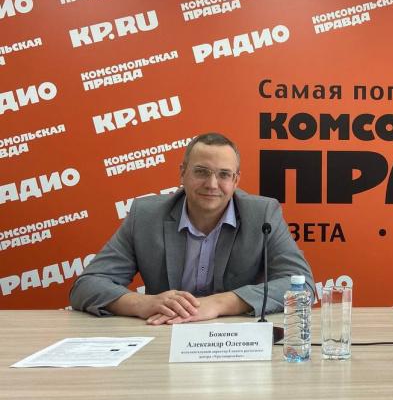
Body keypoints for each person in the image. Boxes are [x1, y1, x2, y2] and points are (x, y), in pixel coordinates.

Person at [71, 132, 313, 325]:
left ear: (235, 181)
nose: (212, 184)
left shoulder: (262, 214)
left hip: (234, 339)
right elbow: (87, 285)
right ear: (182, 173)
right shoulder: (146, 216)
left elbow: (303, 287)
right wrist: (143, 303)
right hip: (165, 334)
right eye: (201, 172)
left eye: (224, 175)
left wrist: (219, 304)